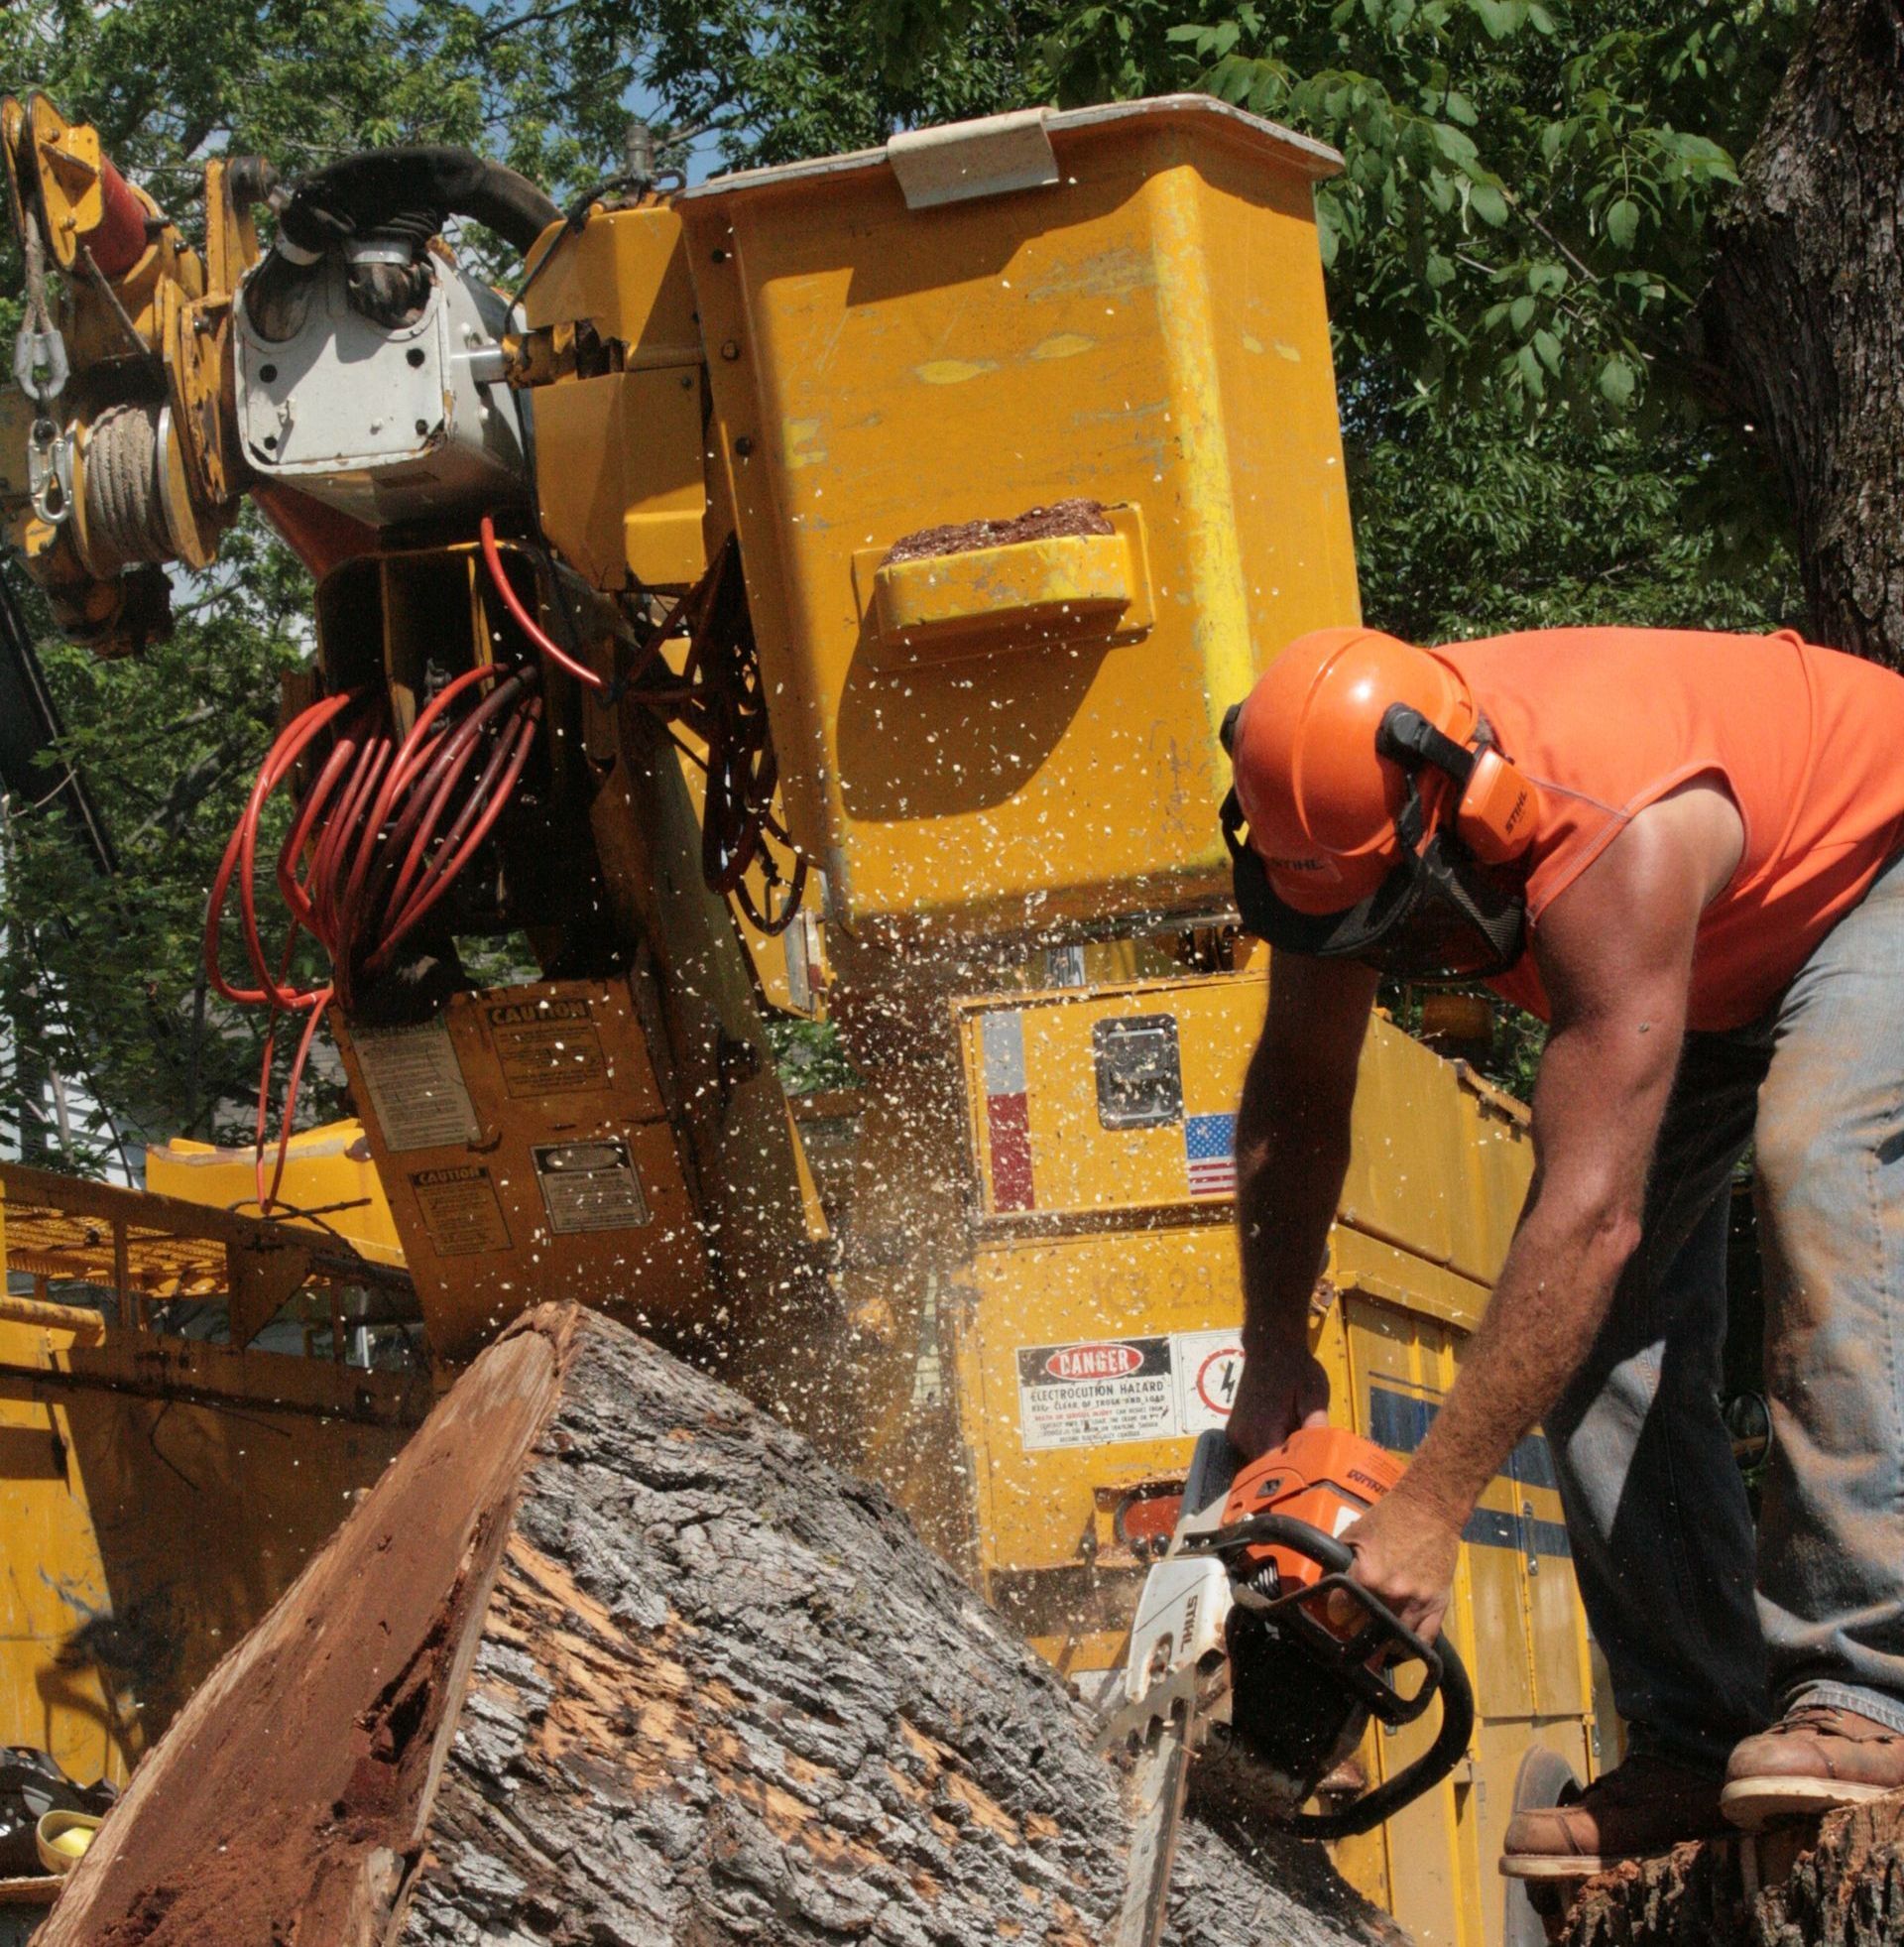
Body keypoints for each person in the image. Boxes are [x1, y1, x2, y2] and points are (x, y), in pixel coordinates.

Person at [1221, 624, 1904, 1879]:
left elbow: (1592, 1215)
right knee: (1585, 1321)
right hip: (1721, 953)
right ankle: (1694, 1736)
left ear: (1459, 809)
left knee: (1820, 1159)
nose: (1394, 951)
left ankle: (1868, 1687)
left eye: (1400, 918)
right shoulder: (1342, 824)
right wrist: (1272, 1349)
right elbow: (1301, 1087)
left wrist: (1429, 1509)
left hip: (1877, 870)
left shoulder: (1612, 833)